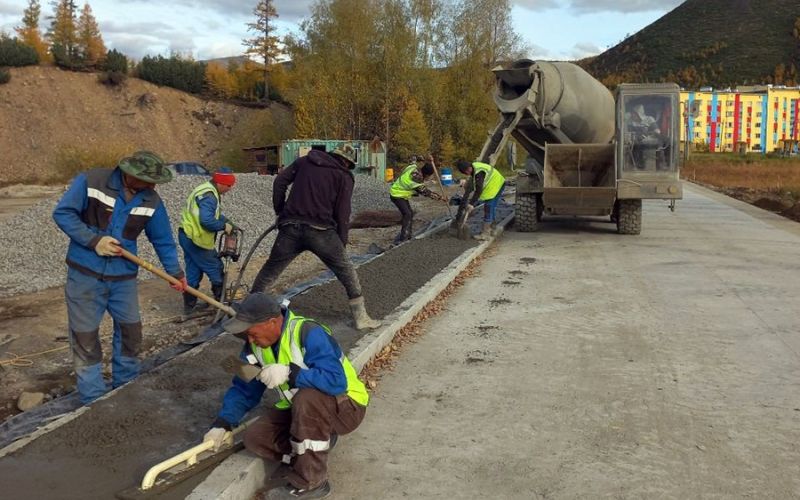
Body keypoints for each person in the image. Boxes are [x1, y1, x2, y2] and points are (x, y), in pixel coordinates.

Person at [52, 150, 187, 404]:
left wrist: (175, 273)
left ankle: (126, 389)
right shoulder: (92, 182)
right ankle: (93, 400)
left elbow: (163, 240)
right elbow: (63, 214)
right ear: (130, 174)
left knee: (130, 332)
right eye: (148, 180)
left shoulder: (151, 200)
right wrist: (94, 241)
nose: (153, 185)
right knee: (85, 337)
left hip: (123, 277)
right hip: (85, 275)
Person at [204, 292, 368, 500]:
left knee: (307, 398)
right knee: (255, 438)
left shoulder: (308, 332)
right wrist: (223, 422)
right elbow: (244, 388)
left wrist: (291, 372)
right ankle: (313, 449)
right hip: (306, 411)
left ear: (272, 322)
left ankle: (312, 483)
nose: (250, 339)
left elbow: (336, 381)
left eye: (253, 333)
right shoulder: (253, 348)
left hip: (347, 407)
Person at [250, 145, 380, 330]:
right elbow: (343, 213)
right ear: (346, 161)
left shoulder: (304, 162)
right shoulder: (343, 176)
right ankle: (361, 318)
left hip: (290, 228)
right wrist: (341, 243)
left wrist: (281, 212)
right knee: (346, 270)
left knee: (269, 272)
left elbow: (279, 181)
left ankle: (250, 314)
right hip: (321, 231)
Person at [179, 168, 236, 315]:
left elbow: (211, 213)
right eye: (229, 185)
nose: (230, 189)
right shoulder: (210, 196)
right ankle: (221, 305)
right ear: (220, 183)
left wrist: (226, 220)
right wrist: (224, 226)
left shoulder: (205, 190)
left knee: (193, 271)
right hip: (197, 239)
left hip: (187, 235)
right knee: (215, 268)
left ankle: (189, 308)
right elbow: (207, 221)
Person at [389, 154, 445, 245]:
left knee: (409, 213)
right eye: (430, 176)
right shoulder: (417, 180)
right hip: (396, 195)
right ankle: (403, 238)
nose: (429, 178)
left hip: (400, 194)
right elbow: (427, 193)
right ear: (427, 175)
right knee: (407, 214)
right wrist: (441, 198)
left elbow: (413, 157)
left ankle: (407, 235)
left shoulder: (413, 167)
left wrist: (425, 159)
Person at [454, 159, 506, 240]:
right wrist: (460, 212)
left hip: (495, 185)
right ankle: (493, 229)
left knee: (488, 207)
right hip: (498, 182)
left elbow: (478, 191)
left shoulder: (479, 173)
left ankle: (485, 234)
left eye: (465, 172)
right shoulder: (474, 167)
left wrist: (471, 204)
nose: (466, 174)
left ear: (467, 169)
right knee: (491, 208)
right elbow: (469, 192)